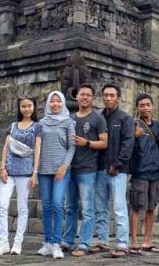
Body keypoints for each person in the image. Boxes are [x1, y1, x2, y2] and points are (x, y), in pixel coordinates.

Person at [0, 97, 42, 256]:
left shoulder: (37, 127)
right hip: (9, 170)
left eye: (29, 106)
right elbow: (6, 148)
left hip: (26, 172)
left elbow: (37, 151)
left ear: (33, 107)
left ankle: (18, 241)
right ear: (19, 108)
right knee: (2, 205)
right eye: (23, 106)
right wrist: (2, 168)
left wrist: (35, 173)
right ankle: (3, 241)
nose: (26, 109)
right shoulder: (13, 126)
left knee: (22, 207)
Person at [62, 83, 108, 256]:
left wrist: (86, 142)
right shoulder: (70, 118)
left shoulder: (97, 118)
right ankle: (67, 240)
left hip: (87, 168)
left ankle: (84, 243)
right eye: (82, 94)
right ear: (77, 96)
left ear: (92, 98)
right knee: (69, 207)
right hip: (69, 168)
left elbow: (104, 142)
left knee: (88, 209)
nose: (84, 97)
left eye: (88, 95)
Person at [91, 83, 134, 258]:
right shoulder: (97, 117)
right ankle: (102, 241)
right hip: (99, 168)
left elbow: (128, 143)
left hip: (118, 170)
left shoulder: (125, 118)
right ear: (102, 97)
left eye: (112, 95)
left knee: (119, 207)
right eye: (106, 95)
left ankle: (122, 243)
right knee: (100, 207)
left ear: (118, 97)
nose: (108, 98)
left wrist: (117, 164)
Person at [36, 91, 76, 259]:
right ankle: (47, 242)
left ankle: (57, 243)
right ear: (48, 104)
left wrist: (64, 166)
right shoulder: (41, 123)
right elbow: (37, 145)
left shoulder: (68, 122)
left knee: (58, 205)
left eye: (58, 101)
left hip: (61, 170)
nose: (55, 104)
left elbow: (72, 146)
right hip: (44, 170)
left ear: (63, 103)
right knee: (46, 206)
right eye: (52, 102)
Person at [128, 93, 159, 254]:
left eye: (147, 105)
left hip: (156, 172)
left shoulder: (158, 127)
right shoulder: (133, 125)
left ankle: (148, 240)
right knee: (137, 206)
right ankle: (135, 241)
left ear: (153, 107)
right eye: (141, 105)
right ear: (137, 108)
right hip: (140, 171)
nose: (145, 108)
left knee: (152, 206)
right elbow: (126, 147)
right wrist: (133, 137)